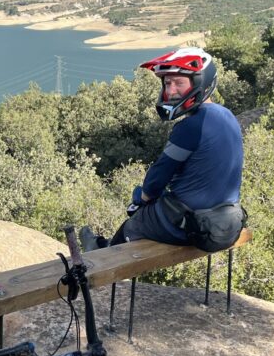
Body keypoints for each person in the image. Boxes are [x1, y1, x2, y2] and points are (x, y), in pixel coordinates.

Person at [81, 47, 245, 252]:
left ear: (200, 82)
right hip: (228, 223)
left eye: (179, 83)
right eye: (167, 83)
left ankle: (99, 252)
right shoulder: (226, 115)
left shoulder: (191, 126)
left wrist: (143, 198)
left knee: (135, 222)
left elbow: (159, 174)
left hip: (195, 226)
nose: (171, 90)